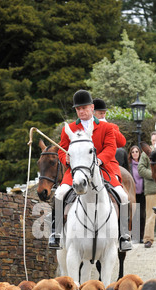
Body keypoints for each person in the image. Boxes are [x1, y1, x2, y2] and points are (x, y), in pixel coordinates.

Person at [48, 89, 132, 252]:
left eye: (84, 108)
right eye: (78, 109)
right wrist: (64, 158)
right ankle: (56, 233)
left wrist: (98, 160)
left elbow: (110, 147)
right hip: (77, 171)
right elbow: (62, 149)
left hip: (104, 168)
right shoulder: (70, 128)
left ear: (92, 108)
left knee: (122, 196)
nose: (81, 111)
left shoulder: (107, 127)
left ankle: (124, 236)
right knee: (59, 194)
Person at [128, 145, 145, 242]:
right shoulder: (129, 165)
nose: (135, 153)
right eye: (133, 152)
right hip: (133, 193)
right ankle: (135, 236)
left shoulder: (142, 164)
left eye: (136, 151)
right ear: (130, 154)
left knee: (142, 215)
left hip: (142, 192)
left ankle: (141, 237)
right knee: (134, 214)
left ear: (139, 153)